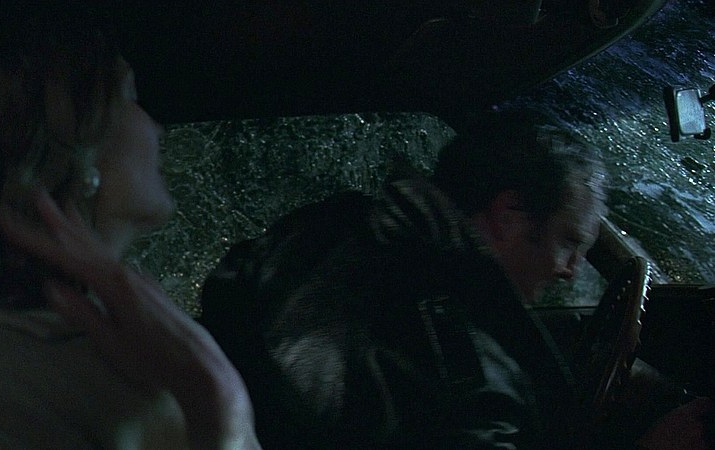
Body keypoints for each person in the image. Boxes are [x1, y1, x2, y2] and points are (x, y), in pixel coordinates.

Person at [0, 2, 259, 449]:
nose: (156, 126)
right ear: (72, 137)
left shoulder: (95, 354)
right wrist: (221, 402)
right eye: (131, 97)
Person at [198, 109, 635, 448]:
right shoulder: (473, 380)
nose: (570, 269)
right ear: (507, 215)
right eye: (569, 242)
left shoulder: (331, 225)